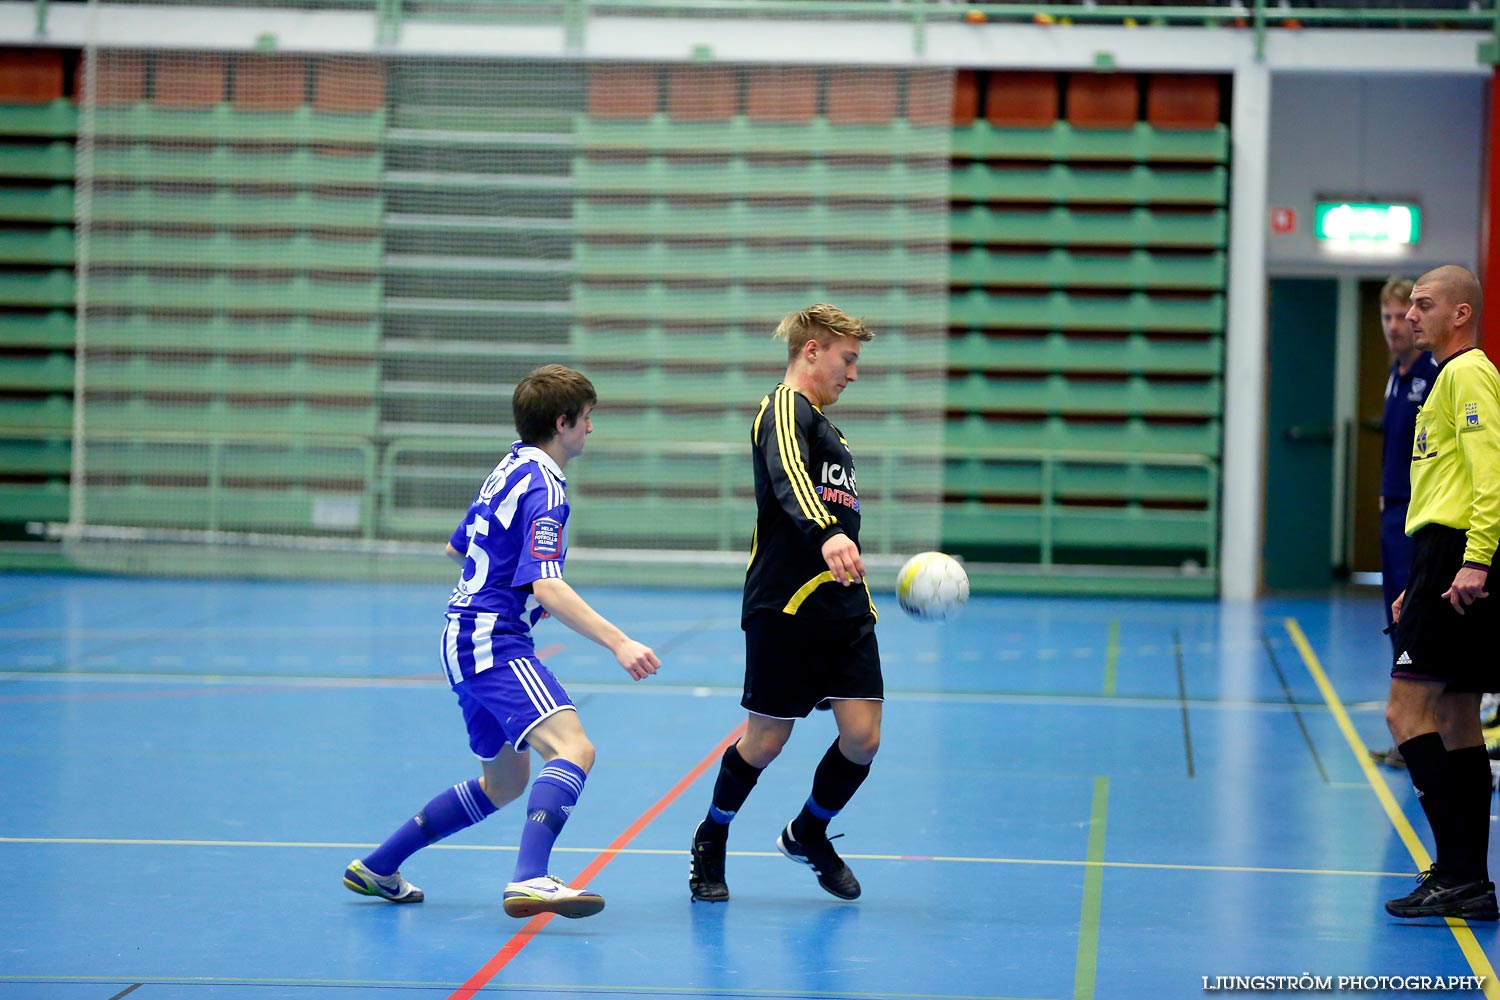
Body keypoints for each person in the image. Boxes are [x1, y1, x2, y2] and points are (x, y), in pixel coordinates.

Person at [344, 364, 660, 919]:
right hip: (492, 640)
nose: (591, 430)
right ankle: (530, 879)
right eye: (587, 420)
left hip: (459, 636)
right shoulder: (547, 487)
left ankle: (379, 866)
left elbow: (458, 546)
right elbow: (547, 585)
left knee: (505, 782)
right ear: (562, 423)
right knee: (574, 749)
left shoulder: (510, 465)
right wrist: (619, 641)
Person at [688, 303, 881, 904]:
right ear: (813, 350)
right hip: (786, 605)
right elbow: (788, 478)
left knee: (863, 738)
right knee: (767, 741)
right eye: (847, 359)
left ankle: (808, 832)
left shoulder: (831, 429)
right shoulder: (783, 408)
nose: (853, 374)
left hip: (843, 607)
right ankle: (712, 837)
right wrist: (828, 535)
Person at [1382, 265, 1500, 921]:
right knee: (1456, 717)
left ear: (1460, 313)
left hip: (1459, 555)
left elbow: (1492, 476)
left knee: (1404, 714)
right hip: (1440, 558)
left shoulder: (1466, 374)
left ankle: (1457, 868)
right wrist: (1416, 585)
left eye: (1424, 305)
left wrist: (1474, 562)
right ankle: (1466, 878)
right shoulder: (1446, 382)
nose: (1411, 316)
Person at [1367, 276, 1438, 770]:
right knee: (1396, 621)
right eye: (1388, 317)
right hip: (1393, 511)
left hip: (1417, 518)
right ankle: (1406, 737)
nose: (1396, 326)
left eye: (1404, 316)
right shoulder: (1395, 373)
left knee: (1415, 621)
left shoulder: (1432, 376)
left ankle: (1421, 732)